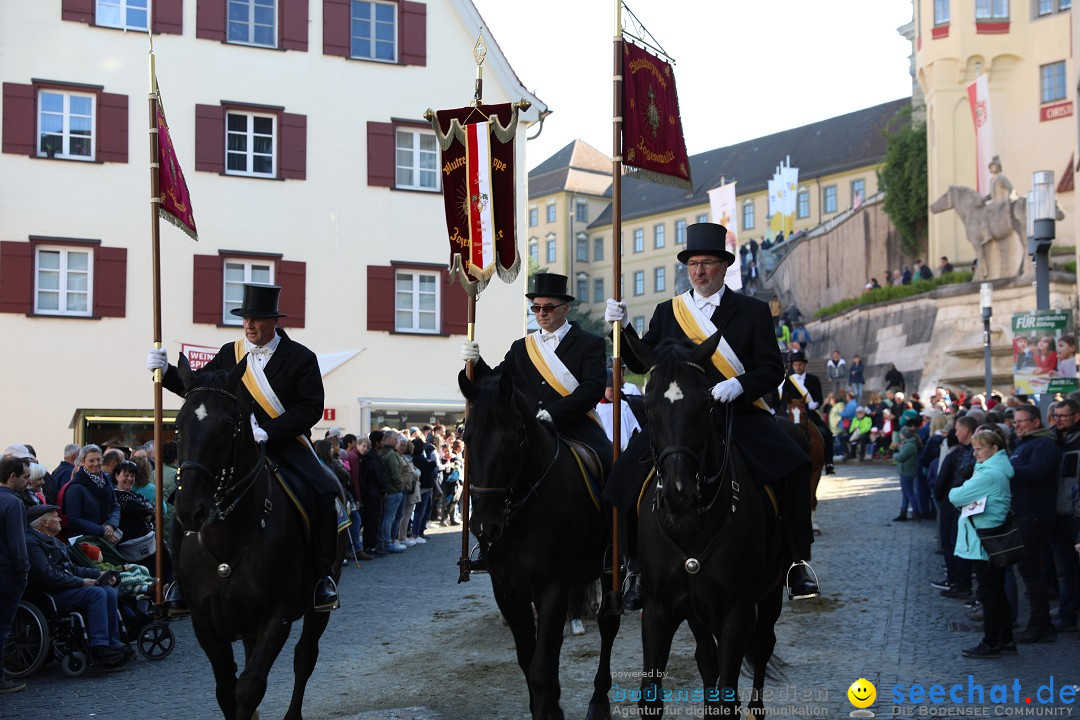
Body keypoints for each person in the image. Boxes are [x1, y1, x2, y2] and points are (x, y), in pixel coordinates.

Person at [604, 222, 819, 599]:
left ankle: (797, 562)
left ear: (723, 266)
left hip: (738, 412)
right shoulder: (669, 311)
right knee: (622, 476)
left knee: (794, 462)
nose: (699, 271)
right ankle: (634, 567)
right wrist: (618, 329)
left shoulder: (751, 311)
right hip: (681, 419)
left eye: (707, 263)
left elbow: (772, 369)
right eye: (693, 264)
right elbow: (641, 362)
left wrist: (739, 384)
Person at [147, 282, 341, 612]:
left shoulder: (301, 358)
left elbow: (310, 408)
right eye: (245, 319)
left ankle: (323, 578)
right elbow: (199, 390)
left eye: (257, 319)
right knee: (184, 495)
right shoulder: (229, 353)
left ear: (274, 322)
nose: (249, 325)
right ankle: (178, 582)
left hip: (284, 443)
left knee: (323, 491)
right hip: (233, 448)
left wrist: (267, 431)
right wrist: (166, 374)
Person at [460, 272, 612, 477]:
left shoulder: (589, 343)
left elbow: (592, 388)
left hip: (576, 427)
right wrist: (476, 362)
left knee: (610, 467)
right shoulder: (521, 347)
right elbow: (495, 381)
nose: (541, 313)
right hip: (529, 430)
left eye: (548, 307)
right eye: (536, 308)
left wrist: (554, 413)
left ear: (565, 309)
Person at [25, 504, 133, 667]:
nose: (60, 519)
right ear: (45, 522)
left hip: (66, 587)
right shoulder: (32, 542)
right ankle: (99, 647)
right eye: (55, 516)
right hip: (51, 593)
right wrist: (81, 582)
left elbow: (73, 568)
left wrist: (98, 574)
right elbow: (47, 575)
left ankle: (113, 643)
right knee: (97, 593)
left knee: (108, 591)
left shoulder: (54, 541)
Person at [949, 428, 1015, 658]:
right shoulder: (992, 470)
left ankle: (992, 641)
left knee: (989, 594)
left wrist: (965, 493)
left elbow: (955, 496)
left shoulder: (989, 474)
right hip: (986, 538)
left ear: (994, 449)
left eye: (980, 448)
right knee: (996, 592)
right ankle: (1005, 639)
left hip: (985, 541)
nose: (975, 453)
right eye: (974, 448)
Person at [1009, 404, 1061, 643]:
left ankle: (1039, 625)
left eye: (1022, 421)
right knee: (1028, 571)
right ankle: (1041, 625)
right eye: (1015, 422)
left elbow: (1038, 472)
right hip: (1024, 514)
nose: (1017, 425)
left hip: (1035, 516)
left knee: (1031, 572)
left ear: (1035, 422)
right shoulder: (1024, 444)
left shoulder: (1043, 444)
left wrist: (1006, 471)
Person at [779, 351, 836, 475]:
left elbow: (819, 398)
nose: (797, 367)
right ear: (792, 366)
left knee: (827, 433)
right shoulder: (788, 381)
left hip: (810, 413)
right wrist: (789, 407)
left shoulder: (813, 379)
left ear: (804, 365)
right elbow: (783, 400)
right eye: (795, 365)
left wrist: (815, 404)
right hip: (793, 415)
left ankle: (829, 463)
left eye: (800, 364)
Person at [0, 457, 30, 693]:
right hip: (8, 572)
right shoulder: (13, 503)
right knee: (2, 627)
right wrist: (24, 569)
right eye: (25, 477)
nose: (27, 482)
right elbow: (17, 544)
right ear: (12, 476)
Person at [1051, 399, 1080, 632]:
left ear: (1076, 417)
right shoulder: (1054, 440)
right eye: (1056, 415)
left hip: (1075, 514)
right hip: (1059, 513)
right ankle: (1067, 613)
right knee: (1064, 570)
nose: (1058, 419)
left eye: (1063, 415)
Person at [62, 444, 121, 544]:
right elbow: (74, 520)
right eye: (91, 460)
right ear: (82, 462)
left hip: (105, 538)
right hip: (85, 542)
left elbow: (115, 505)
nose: (96, 463)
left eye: (99, 460)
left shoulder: (106, 480)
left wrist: (111, 525)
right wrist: (103, 531)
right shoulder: (75, 487)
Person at [892, 427, 922, 522]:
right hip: (905, 470)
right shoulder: (908, 444)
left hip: (907, 471)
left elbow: (900, 457)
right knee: (906, 493)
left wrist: (894, 454)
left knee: (909, 493)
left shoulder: (910, 446)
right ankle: (904, 512)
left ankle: (916, 512)